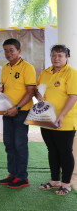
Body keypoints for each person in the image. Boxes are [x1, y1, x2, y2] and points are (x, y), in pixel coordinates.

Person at [36, 45, 77, 195]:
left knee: (65, 151)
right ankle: (55, 180)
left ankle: (66, 184)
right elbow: (37, 88)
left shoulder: (71, 73)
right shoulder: (45, 72)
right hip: (46, 119)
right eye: (53, 55)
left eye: (60, 55)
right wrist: (38, 95)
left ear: (67, 57)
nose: (56, 58)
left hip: (64, 121)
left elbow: (73, 96)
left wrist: (61, 116)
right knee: (52, 150)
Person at [0, 38, 36, 188]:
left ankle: (22, 177)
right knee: (9, 144)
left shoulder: (27, 67)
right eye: (6, 50)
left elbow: (30, 92)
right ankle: (12, 174)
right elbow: (4, 88)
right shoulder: (5, 68)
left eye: (11, 50)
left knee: (20, 145)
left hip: (21, 112)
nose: (8, 53)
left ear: (19, 51)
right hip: (7, 112)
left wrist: (17, 108)